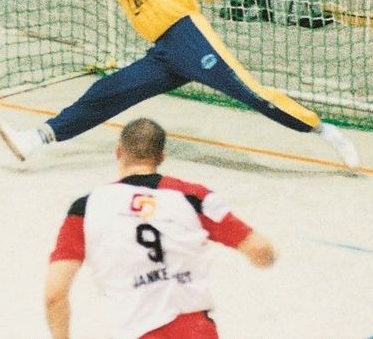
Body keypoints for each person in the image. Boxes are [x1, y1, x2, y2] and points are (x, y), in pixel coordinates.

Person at [0, 0, 360, 169]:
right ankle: (37, 138)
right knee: (108, 91)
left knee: (251, 93)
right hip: (163, 54)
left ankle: (323, 130)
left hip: (188, 36)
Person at [44, 118, 276, 339]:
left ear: (118, 152)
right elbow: (261, 249)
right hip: (196, 331)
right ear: (161, 157)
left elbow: (54, 295)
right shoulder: (194, 197)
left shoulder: (86, 208)